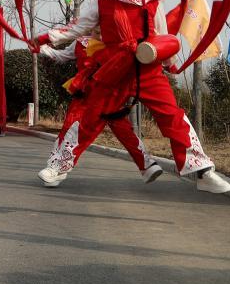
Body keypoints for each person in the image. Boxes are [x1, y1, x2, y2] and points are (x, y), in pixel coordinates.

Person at [37, 0, 230, 194]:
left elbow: (161, 34)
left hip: (148, 71)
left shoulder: (153, 2)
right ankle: (58, 167)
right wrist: (46, 38)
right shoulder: (102, 1)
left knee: (172, 116)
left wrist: (169, 63)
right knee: (90, 119)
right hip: (115, 70)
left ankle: (201, 171)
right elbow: (78, 28)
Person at [37, 31, 161, 187]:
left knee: (80, 129)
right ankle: (147, 164)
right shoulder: (81, 42)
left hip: (109, 94)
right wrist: (42, 49)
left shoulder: (120, 43)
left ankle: (57, 169)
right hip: (85, 92)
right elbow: (62, 55)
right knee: (77, 127)